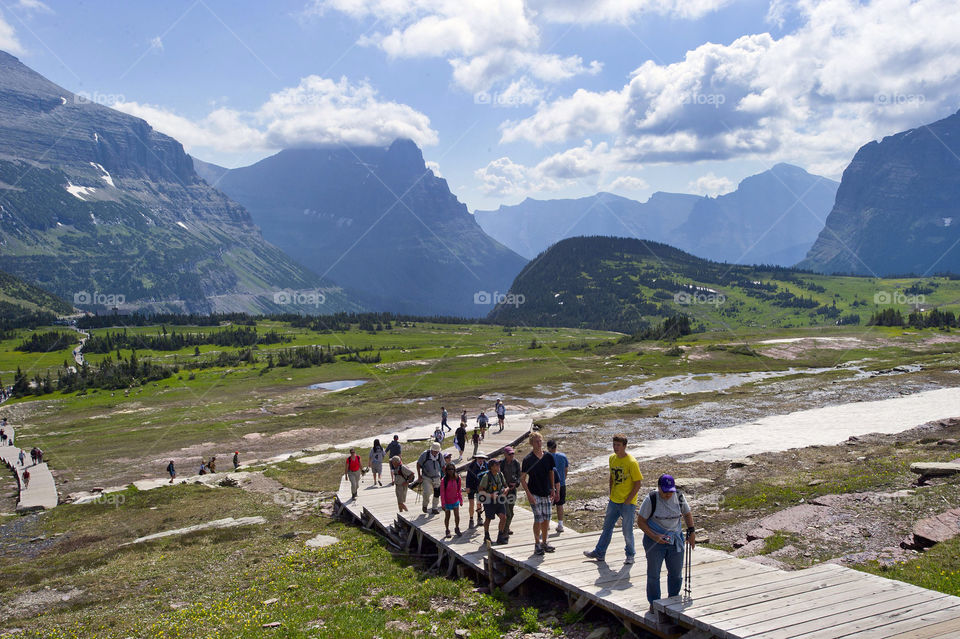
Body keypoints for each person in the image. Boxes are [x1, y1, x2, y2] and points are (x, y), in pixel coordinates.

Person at [637, 474, 696, 614]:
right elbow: (640, 522)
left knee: (676, 573)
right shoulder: (651, 499)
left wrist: (692, 532)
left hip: (675, 539)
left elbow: (687, 514)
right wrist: (655, 537)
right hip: (654, 541)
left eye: (671, 491)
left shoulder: (679, 497)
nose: (668, 494)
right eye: (665, 491)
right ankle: (654, 603)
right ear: (659, 488)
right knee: (654, 574)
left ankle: (673, 600)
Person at [583, 434, 643, 564]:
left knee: (627, 531)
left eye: (618, 445)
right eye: (614, 445)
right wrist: (611, 493)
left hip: (627, 503)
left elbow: (638, 483)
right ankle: (600, 552)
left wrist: (628, 500)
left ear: (624, 446)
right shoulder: (612, 459)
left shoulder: (632, 462)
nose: (616, 447)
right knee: (607, 528)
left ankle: (630, 554)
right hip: (614, 500)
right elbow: (611, 476)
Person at [520, 431, 558, 556]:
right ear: (531, 443)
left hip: (546, 491)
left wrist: (552, 488)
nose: (539, 443)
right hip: (534, 492)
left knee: (547, 518)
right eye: (536, 441)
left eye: (540, 440)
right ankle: (537, 543)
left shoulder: (548, 456)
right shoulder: (528, 459)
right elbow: (522, 479)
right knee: (538, 518)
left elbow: (551, 472)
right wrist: (529, 495)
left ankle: (545, 542)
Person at [478, 457, 508, 545]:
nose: (499, 466)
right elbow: (480, 491)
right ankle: (486, 535)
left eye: (499, 464)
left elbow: (506, 486)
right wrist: (490, 495)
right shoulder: (486, 477)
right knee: (488, 519)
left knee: (503, 517)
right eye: (496, 465)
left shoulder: (500, 475)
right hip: (489, 501)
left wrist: (506, 491)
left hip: (499, 500)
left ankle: (500, 536)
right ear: (491, 467)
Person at [416, 442, 444, 514]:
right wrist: (419, 476)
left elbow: (443, 466)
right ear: (431, 450)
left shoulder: (440, 455)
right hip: (426, 477)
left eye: (437, 451)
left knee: (437, 493)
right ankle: (425, 505)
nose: (435, 453)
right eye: (434, 451)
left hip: (437, 477)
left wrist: (446, 475)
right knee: (427, 492)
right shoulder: (425, 454)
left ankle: (434, 508)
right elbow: (418, 464)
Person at [500, 446, 522, 537]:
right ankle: (504, 531)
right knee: (506, 512)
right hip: (504, 491)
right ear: (505, 455)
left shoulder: (516, 463)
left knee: (511, 511)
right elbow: (499, 476)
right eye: (509, 454)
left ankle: (507, 527)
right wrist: (504, 487)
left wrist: (516, 483)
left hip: (513, 490)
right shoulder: (501, 464)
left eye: (513, 453)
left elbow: (520, 476)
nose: (512, 455)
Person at [548, 440, 569, 533]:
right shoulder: (563, 456)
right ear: (556, 447)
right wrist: (563, 479)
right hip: (562, 483)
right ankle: (560, 524)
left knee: (548, 505)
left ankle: (547, 524)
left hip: (549, 484)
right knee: (560, 504)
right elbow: (566, 469)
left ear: (549, 448)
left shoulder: (546, 457)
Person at [465, 451, 488, 527]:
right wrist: (467, 487)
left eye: (482, 458)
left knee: (479, 503)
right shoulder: (471, 466)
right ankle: (471, 519)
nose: (480, 459)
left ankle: (479, 517)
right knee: (471, 504)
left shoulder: (486, 465)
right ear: (476, 458)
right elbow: (468, 478)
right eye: (479, 458)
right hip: (471, 486)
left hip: (480, 487)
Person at [440, 462, 463, 538]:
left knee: (457, 515)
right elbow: (442, 493)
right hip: (447, 501)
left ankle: (457, 528)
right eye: (449, 469)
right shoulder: (444, 480)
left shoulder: (457, 478)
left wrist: (461, 499)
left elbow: (459, 489)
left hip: (455, 500)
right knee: (447, 516)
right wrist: (443, 503)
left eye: (452, 469)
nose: (451, 471)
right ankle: (447, 530)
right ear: (446, 470)